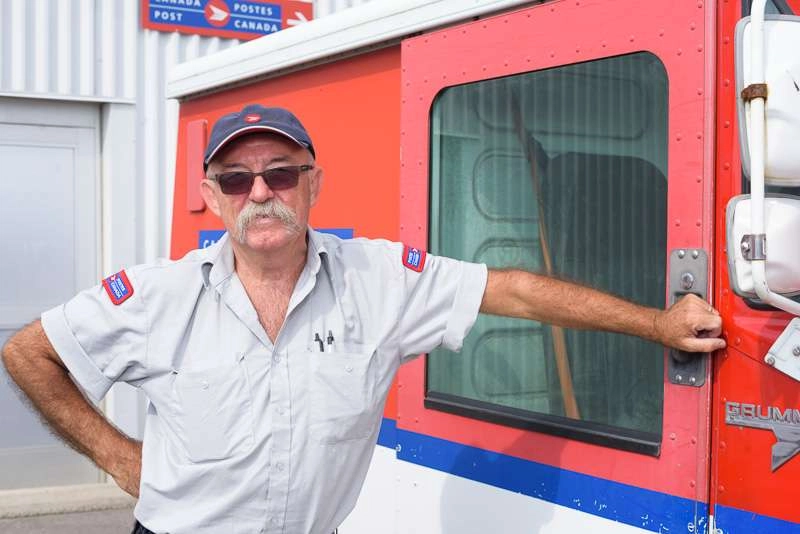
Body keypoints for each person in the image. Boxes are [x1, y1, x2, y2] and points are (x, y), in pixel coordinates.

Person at [1, 104, 725, 534]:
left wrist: (658, 326)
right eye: (236, 179)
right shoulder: (157, 295)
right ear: (212, 197)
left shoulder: (378, 279)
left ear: (314, 182)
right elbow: (30, 353)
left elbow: (517, 292)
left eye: (281, 173)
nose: (261, 193)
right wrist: (117, 455)